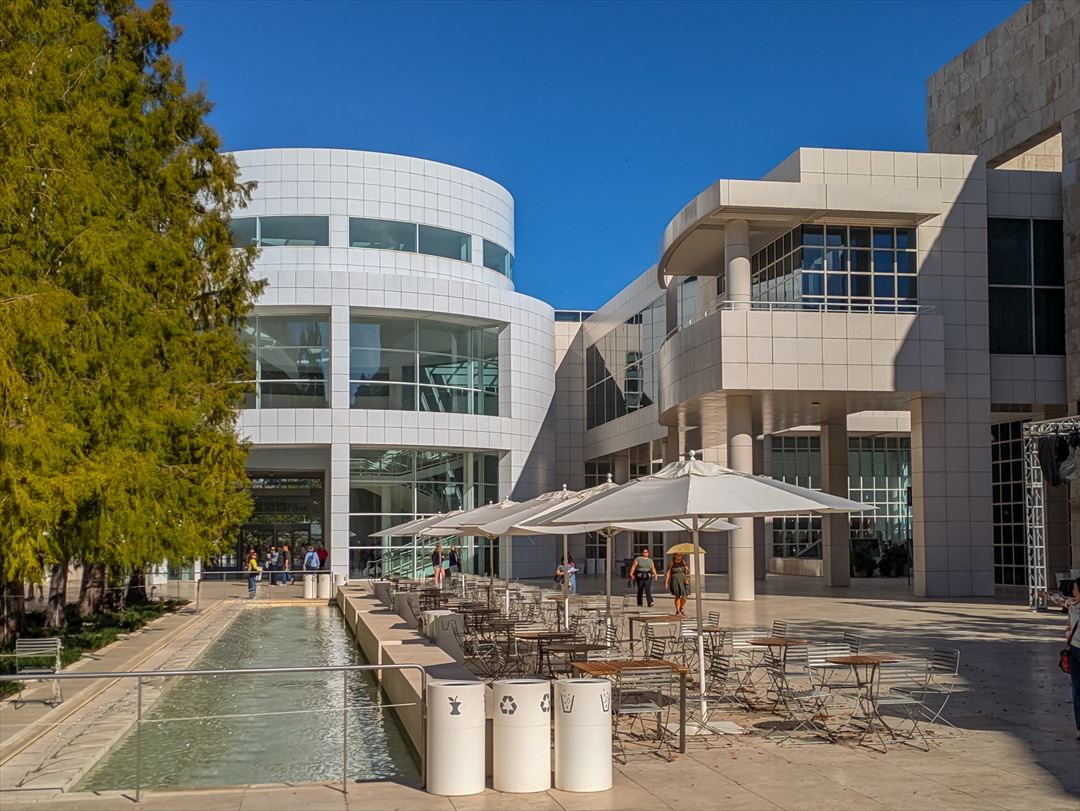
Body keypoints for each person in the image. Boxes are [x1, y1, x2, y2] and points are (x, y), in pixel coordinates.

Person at [1066, 579, 1080, 740]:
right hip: (1074, 649)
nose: (1073, 591)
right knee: (1077, 689)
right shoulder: (1072, 606)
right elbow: (1059, 599)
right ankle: (1079, 727)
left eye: (1075, 589)